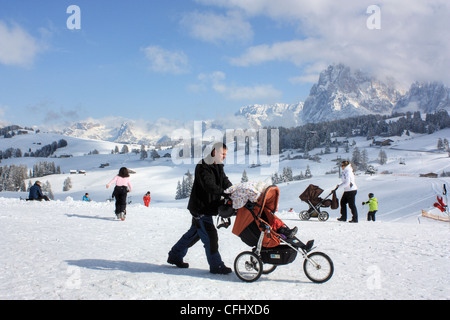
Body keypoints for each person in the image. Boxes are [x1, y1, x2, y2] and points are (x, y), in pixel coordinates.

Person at [168, 142, 233, 275]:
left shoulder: (218, 165)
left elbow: (224, 181)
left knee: (194, 233)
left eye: (226, 154)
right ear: (215, 152)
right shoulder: (203, 165)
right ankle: (216, 265)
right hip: (201, 208)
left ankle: (175, 255)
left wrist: (233, 190)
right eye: (223, 154)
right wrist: (224, 193)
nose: (224, 156)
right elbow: (208, 185)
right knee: (210, 236)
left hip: (207, 207)